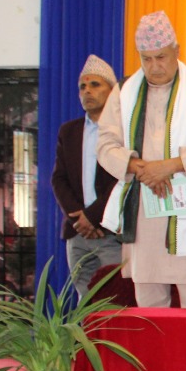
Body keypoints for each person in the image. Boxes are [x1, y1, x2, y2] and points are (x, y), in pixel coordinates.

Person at [96, 11, 186, 309]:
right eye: (146, 59)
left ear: (177, 51)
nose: (154, 66)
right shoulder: (123, 92)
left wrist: (169, 167)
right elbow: (105, 145)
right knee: (149, 309)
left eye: (161, 57)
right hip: (144, 214)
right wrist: (140, 168)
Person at [51, 54, 121, 297]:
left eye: (95, 85)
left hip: (110, 231)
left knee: (115, 300)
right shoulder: (69, 131)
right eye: (82, 86)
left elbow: (122, 180)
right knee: (85, 302)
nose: (87, 91)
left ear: (112, 92)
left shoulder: (123, 130)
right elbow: (58, 179)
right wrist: (78, 219)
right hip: (78, 232)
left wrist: (92, 217)